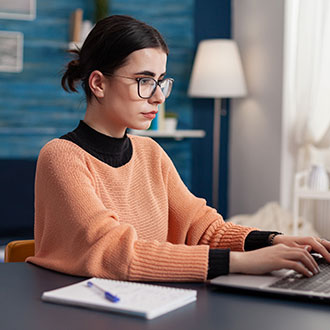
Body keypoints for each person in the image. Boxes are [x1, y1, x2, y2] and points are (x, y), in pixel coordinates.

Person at [27, 15, 330, 281]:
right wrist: (240, 262)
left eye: (161, 81)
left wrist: (273, 241)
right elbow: (114, 251)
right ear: (98, 84)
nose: (158, 96)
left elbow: (204, 228)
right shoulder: (62, 157)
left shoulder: (150, 153)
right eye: (144, 81)